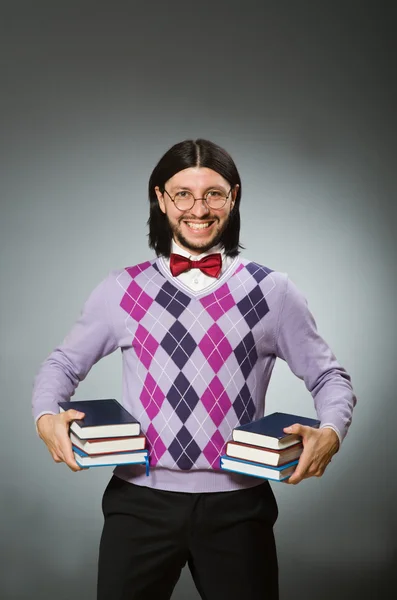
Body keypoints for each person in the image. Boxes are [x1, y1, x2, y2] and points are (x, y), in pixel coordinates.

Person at [32, 138, 356, 600]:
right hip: (137, 504)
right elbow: (62, 364)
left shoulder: (273, 291)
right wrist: (46, 416)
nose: (198, 208)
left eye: (213, 194)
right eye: (183, 193)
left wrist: (332, 431)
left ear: (234, 198)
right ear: (161, 199)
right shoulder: (121, 288)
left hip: (239, 509)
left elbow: (328, 378)